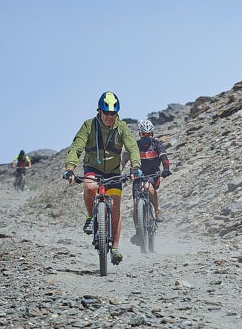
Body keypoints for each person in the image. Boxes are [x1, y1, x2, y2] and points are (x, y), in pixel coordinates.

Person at [63, 91, 142, 266]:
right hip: (93, 167)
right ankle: (91, 217)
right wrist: (70, 168)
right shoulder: (89, 125)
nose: (109, 117)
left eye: (113, 113)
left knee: (115, 207)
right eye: (106, 113)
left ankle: (115, 249)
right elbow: (76, 147)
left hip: (114, 172)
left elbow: (132, 147)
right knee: (90, 187)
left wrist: (135, 166)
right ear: (99, 111)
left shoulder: (122, 127)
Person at [125, 120, 172, 242]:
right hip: (138, 175)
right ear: (140, 134)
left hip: (153, 174)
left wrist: (166, 169)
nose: (146, 137)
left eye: (149, 134)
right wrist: (119, 169)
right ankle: (138, 233)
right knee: (136, 204)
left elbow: (164, 157)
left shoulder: (157, 144)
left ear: (152, 134)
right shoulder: (135, 145)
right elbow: (125, 157)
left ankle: (157, 210)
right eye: (143, 134)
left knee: (148, 187)